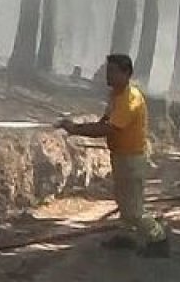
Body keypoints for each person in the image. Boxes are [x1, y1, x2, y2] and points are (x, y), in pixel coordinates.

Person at [58, 54, 170, 258]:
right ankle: (126, 235)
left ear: (126, 73)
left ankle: (158, 239)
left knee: (133, 208)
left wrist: (75, 129)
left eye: (112, 71)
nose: (107, 75)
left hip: (131, 159)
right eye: (107, 70)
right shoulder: (116, 95)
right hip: (121, 156)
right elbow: (105, 120)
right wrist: (77, 127)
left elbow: (109, 128)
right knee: (123, 198)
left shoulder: (129, 100)